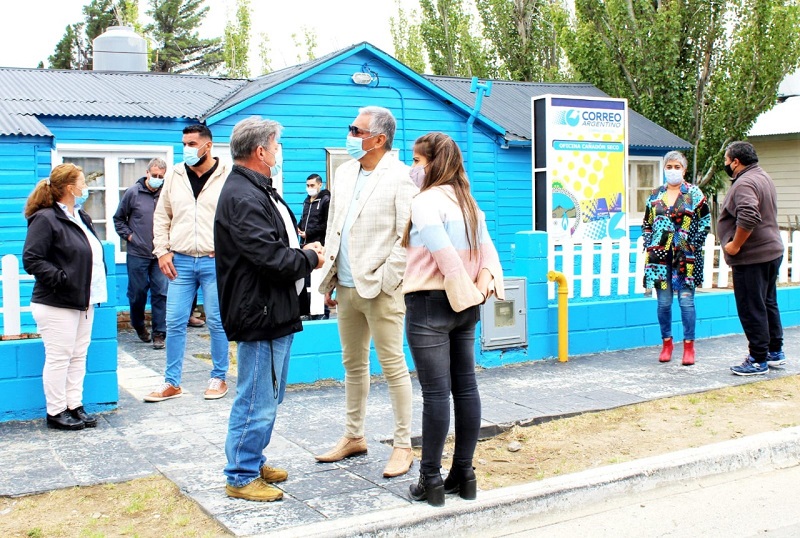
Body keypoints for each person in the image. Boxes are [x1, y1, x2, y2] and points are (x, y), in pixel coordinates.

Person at [215, 117, 323, 501]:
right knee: (256, 397)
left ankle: (252, 459)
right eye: (276, 146)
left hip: (272, 308)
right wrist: (309, 257)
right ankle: (241, 475)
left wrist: (302, 251)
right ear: (260, 151)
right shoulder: (244, 196)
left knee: (268, 394)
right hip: (259, 311)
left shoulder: (256, 189)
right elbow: (270, 257)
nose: (279, 152)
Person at [401, 132, 504, 506]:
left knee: (435, 394)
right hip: (466, 305)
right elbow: (488, 251)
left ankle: (430, 478)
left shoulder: (426, 201)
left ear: (433, 163)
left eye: (417, 160)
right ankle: (464, 473)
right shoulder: (467, 201)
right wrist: (479, 288)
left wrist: (462, 288)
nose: (413, 167)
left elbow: (442, 252)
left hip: (431, 302)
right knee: (465, 387)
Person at [316, 106, 417, 478]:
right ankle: (353, 436)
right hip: (345, 286)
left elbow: (407, 236)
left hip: (381, 288)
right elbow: (335, 227)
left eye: (356, 130)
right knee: (353, 365)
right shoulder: (345, 172)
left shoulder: (401, 177)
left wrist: (388, 279)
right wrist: (329, 279)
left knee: (393, 366)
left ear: (379, 139)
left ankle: (403, 444)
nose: (350, 135)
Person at [145, 124, 230, 402]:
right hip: (179, 261)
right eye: (184, 144)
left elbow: (237, 216)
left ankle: (218, 377)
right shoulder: (175, 174)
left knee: (216, 321)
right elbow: (162, 216)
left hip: (214, 262)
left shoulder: (227, 174)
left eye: (192, 144)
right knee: (174, 321)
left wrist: (228, 249)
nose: (187, 149)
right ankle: (172, 382)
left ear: (208, 145)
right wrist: (162, 251)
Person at [22, 163, 107, 430]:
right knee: (59, 357)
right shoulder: (46, 218)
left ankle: (74, 405)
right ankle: (56, 411)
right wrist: (62, 279)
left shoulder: (81, 216)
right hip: (56, 302)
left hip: (84, 300)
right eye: (83, 182)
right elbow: (32, 259)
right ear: (70, 188)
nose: (86, 187)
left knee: (78, 355)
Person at [719, 141, 786, 376]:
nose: (726, 164)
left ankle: (758, 359)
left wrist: (735, 245)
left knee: (751, 306)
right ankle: (774, 351)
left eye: (726, 160)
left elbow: (749, 215)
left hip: (752, 256)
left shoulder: (744, 183)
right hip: (771, 251)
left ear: (736, 162)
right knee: (767, 302)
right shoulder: (762, 176)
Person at [642, 151, 711, 366]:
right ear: (664, 169)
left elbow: (705, 222)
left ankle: (689, 347)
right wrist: (649, 242)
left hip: (685, 257)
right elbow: (646, 223)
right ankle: (667, 343)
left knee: (686, 302)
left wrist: (693, 245)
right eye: (669, 166)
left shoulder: (694, 194)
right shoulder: (655, 195)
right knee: (663, 303)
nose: (673, 170)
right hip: (659, 258)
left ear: (684, 169)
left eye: (677, 167)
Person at [113, 158, 169, 350]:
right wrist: (130, 237)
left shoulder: (166, 194)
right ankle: (138, 324)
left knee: (161, 293)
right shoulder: (133, 193)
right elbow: (119, 219)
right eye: (154, 175)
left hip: (160, 253)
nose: (157, 179)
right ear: (147, 173)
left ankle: (159, 333)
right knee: (137, 293)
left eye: (161, 176)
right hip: (138, 252)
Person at [298, 173, 330, 319]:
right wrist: (299, 228)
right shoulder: (306, 201)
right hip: (305, 246)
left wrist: (309, 233)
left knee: (319, 281)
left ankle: (322, 313)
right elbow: (304, 219)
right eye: (307, 185)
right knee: (306, 281)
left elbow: (326, 224)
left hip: (319, 247)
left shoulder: (325, 200)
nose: (309, 188)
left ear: (319, 185)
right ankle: (309, 312)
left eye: (312, 185)